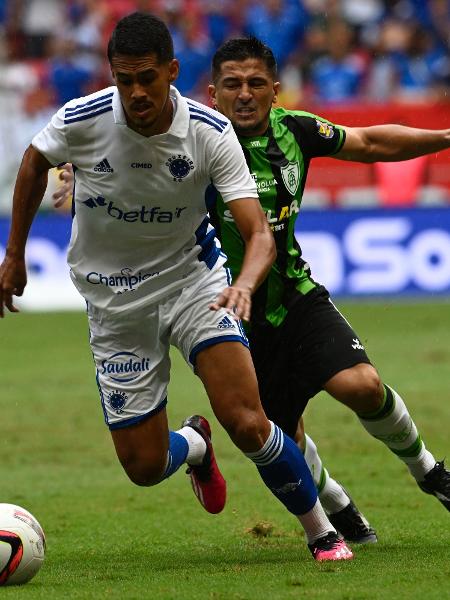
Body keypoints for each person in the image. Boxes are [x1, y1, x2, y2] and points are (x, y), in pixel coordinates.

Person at [0, 13, 354, 562]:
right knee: (142, 467)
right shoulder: (82, 119)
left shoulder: (209, 132)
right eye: (124, 79)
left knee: (247, 418)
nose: (136, 92)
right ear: (111, 74)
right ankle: (193, 445)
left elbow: (258, 231)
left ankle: (321, 532)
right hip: (115, 304)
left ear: (172, 70)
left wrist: (245, 283)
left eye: (148, 78)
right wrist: (15, 254)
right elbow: (33, 163)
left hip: (195, 284)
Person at [205, 36, 450, 516]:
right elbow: (135, 172)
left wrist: (445, 137)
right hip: (228, 317)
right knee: (280, 434)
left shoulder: (296, 130)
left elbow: (370, 142)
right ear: (213, 93)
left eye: (256, 83)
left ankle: (431, 473)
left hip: (295, 294)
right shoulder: (193, 146)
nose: (245, 94)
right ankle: (339, 508)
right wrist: (77, 173)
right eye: (232, 84)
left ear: (276, 91)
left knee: (362, 385)